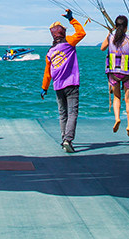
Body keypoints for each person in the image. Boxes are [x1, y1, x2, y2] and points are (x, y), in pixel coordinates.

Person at [41, 10, 86, 153]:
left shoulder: (50, 52)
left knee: (63, 113)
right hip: (71, 84)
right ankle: (68, 140)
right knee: (72, 113)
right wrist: (72, 19)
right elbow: (81, 33)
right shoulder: (69, 42)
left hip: (58, 86)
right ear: (63, 33)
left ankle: (63, 139)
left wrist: (44, 88)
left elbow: (47, 73)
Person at [101, 14, 129, 136]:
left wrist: (109, 34)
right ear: (126, 27)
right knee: (128, 100)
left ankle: (117, 118)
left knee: (116, 97)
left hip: (114, 74)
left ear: (116, 26)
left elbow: (102, 48)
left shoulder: (111, 38)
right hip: (127, 73)